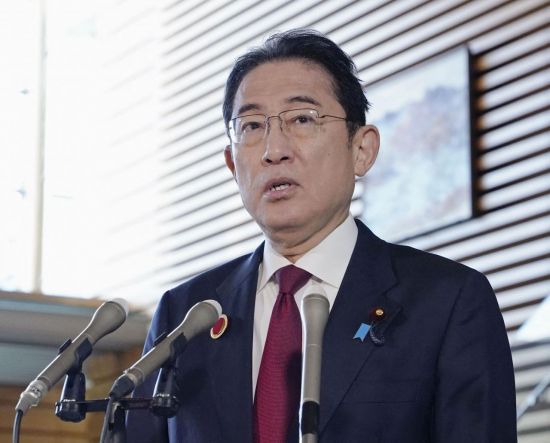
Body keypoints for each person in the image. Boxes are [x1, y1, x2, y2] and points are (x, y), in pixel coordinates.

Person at [126, 29, 517, 442]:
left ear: (361, 150)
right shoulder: (184, 316)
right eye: (252, 125)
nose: (274, 150)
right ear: (232, 164)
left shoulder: (448, 302)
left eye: (302, 119)